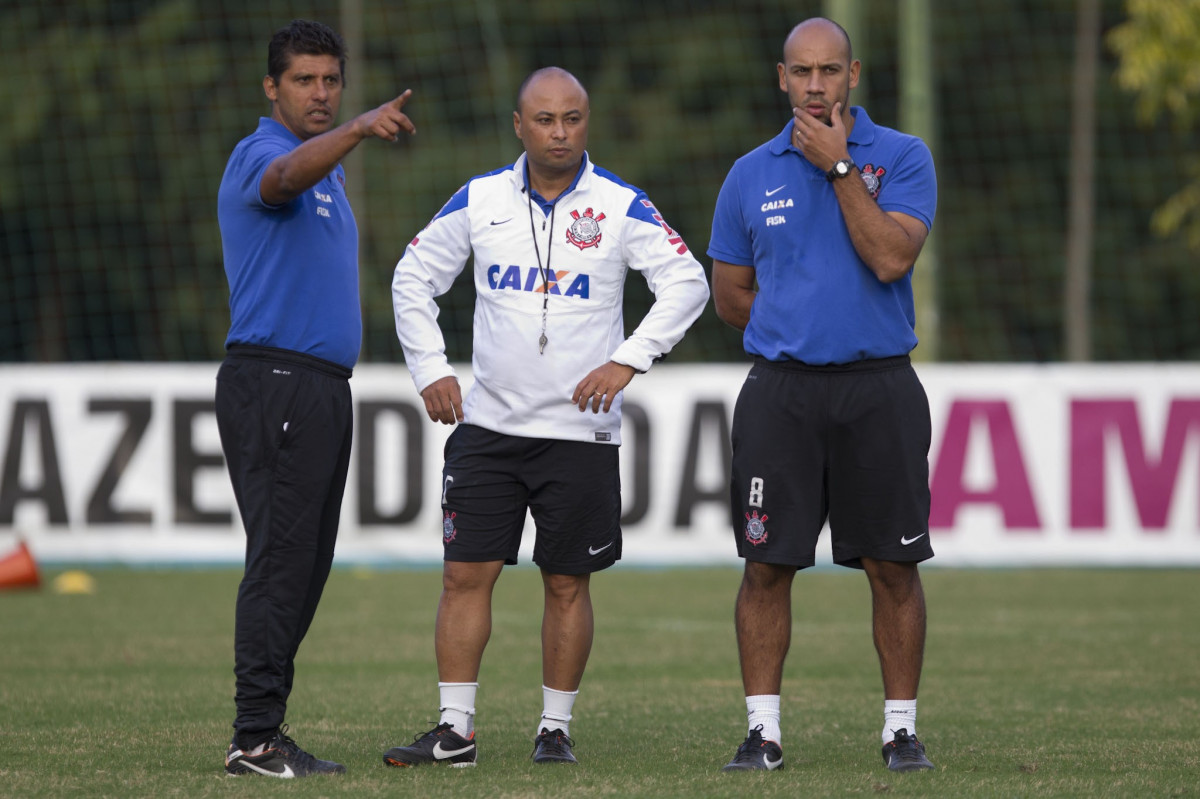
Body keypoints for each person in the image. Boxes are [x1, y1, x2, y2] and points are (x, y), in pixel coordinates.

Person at [384, 66, 709, 768]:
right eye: (545, 120)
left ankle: (554, 728)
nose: (560, 133)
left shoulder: (622, 204)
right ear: (518, 125)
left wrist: (629, 359)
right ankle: (455, 729)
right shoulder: (479, 199)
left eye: (574, 118)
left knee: (567, 581)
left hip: (579, 434)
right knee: (463, 575)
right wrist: (432, 368)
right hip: (489, 428)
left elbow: (688, 281)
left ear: (587, 121)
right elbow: (412, 278)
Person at [709, 18, 937, 773]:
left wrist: (841, 169)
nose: (815, 85)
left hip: (879, 387)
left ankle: (900, 731)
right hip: (782, 393)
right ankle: (763, 732)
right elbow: (731, 295)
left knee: (892, 567)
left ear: (854, 75)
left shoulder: (902, 156)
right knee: (766, 563)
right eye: (802, 72)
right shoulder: (749, 172)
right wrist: (796, 327)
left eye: (829, 71)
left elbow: (890, 256)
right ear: (781, 77)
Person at [215, 18, 415, 778]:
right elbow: (282, 180)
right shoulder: (263, 153)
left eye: (332, 81)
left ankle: (266, 728)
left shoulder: (326, 169)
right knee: (279, 562)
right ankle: (254, 737)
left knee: (305, 565)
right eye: (304, 80)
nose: (322, 93)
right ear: (273, 87)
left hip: (321, 388)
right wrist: (361, 129)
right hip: (275, 381)